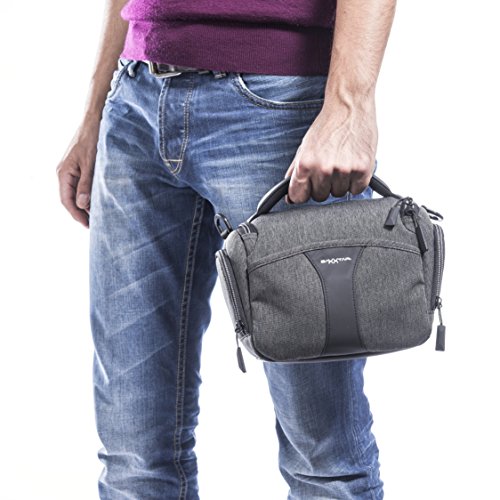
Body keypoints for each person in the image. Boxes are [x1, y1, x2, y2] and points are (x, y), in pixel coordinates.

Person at [56, 0, 396, 498]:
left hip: (281, 104)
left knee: (325, 460)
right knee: (132, 460)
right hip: (135, 100)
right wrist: (94, 112)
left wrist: (351, 107)